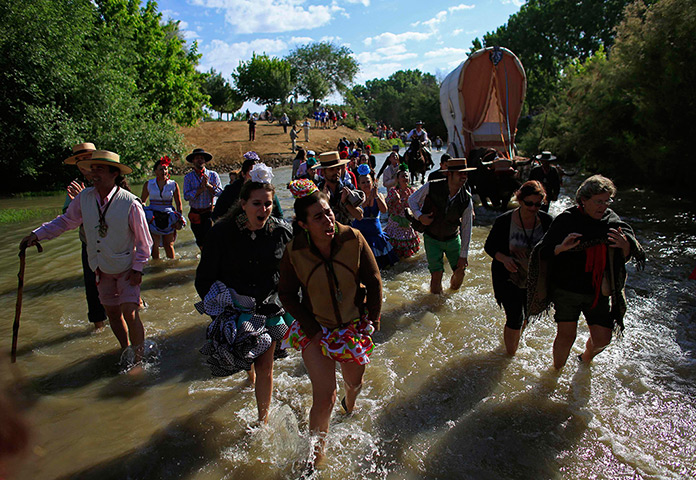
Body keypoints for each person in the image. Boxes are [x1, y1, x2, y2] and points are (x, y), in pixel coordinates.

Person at [279, 179, 382, 467]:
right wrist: (310, 329)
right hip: (316, 328)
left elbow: (373, 281)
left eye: (328, 212)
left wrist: (372, 319)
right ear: (303, 224)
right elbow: (285, 293)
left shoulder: (353, 238)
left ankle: (350, 404)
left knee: (353, 383)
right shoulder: (294, 251)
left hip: (352, 326)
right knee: (325, 397)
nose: (328, 219)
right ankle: (315, 459)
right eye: (318, 217)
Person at [20, 151, 153, 364]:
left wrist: (138, 268)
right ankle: (125, 349)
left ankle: (138, 360)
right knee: (112, 314)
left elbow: (144, 242)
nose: (94, 172)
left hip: (127, 268)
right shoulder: (85, 198)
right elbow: (65, 222)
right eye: (93, 168)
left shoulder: (130, 202)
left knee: (130, 311)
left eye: (100, 168)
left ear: (114, 173)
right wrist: (37, 235)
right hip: (101, 268)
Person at [195, 164, 293, 423]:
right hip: (235, 309)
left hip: (269, 306)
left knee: (266, 366)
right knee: (247, 361)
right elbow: (204, 279)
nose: (264, 210)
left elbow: (295, 270)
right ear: (243, 203)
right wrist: (220, 308)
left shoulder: (282, 232)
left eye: (269, 204)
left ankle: (263, 420)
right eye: (257, 204)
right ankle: (247, 374)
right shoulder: (220, 234)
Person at [527, 175, 645, 369]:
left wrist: (625, 246)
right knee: (567, 336)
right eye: (598, 201)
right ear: (583, 200)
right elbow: (543, 251)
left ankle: (585, 358)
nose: (603, 206)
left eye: (607, 201)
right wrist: (561, 248)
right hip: (567, 289)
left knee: (603, 339)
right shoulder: (567, 220)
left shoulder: (611, 220)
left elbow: (624, 255)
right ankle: (555, 373)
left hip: (598, 290)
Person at [484, 181, 553, 355]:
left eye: (538, 204)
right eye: (529, 203)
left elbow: (553, 248)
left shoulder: (546, 221)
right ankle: (509, 356)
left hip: (534, 277)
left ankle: (513, 341)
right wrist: (505, 259)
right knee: (515, 316)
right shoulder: (504, 221)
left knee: (525, 315)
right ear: (520, 200)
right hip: (507, 275)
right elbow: (490, 247)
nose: (534, 207)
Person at [408, 158, 476, 294]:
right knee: (436, 275)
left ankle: (450, 294)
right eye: (460, 173)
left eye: (465, 174)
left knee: (460, 273)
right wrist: (420, 216)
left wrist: (464, 255)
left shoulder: (466, 199)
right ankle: (435, 307)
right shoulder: (431, 186)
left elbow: (467, 228)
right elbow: (412, 200)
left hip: (452, 239)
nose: (464, 176)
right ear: (449, 174)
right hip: (432, 238)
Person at [61, 142, 107, 330]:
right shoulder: (76, 187)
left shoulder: (108, 179)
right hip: (88, 243)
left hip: (112, 242)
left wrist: (86, 201)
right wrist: (76, 204)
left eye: (86, 158)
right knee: (91, 286)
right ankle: (99, 328)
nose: (83, 163)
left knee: (121, 285)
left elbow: (114, 214)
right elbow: (67, 218)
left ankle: (137, 306)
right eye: (79, 160)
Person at [213, 151, 283, 221]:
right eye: (251, 173)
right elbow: (217, 214)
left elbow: (279, 215)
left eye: (257, 173)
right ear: (243, 174)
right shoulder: (231, 190)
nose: (254, 177)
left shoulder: (267, 190)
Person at [352, 165, 399, 268]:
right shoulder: (356, 196)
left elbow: (384, 210)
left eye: (368, 182)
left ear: (372, 182)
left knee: (383, 267)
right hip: (361, 234)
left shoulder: (379, 195)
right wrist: (367, 201)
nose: (366, 184)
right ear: (359, 185)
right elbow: (359, 211)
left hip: (376, 234)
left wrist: (376, 197)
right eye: (363, 182)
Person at [140, 156, 184, 259]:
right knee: (154, 245)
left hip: (169, 217)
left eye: (165, 168)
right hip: (153, 217)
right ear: (155, 171)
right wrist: (144, 215)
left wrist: (179, 219)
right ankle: (157, 266)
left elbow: (179, 204)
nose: (164, 171)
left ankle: (171, 266)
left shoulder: (173, 184)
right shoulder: (149, 184)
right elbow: (142, 201)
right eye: (161, 169)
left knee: (168, 245)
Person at [313, 151, 365, 225]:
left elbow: (359, 216)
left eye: (338, 169)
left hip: (346, 231)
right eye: (331, 169)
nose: (336, 172)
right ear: (323, 172)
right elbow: (314, 218)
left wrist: (345, 202)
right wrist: (325, 200)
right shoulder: (317, 191)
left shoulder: (348, 187)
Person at [183, 148, 222, 248]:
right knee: (199, 241)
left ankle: (210, 259)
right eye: (197, 158)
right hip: (195, 213)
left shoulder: (213, 175)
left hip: (209, 212)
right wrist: (200, 189)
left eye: (201, 158)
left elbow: (220, 193)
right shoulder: (188, 177)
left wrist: (208, 186)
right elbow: (186, 196)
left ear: (205, 161)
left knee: (210, 240)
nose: (199, 160)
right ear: (193, 161)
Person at [384, 167, 421, 258]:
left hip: (408, 221)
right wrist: (394, 199)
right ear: (398, 179)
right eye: (402, 176)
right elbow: (386, 206)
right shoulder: (393, 191)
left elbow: (418, 205)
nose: (405, 178)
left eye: (406, 176)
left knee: (410, 251)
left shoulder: (413, 191)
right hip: (396, 222)